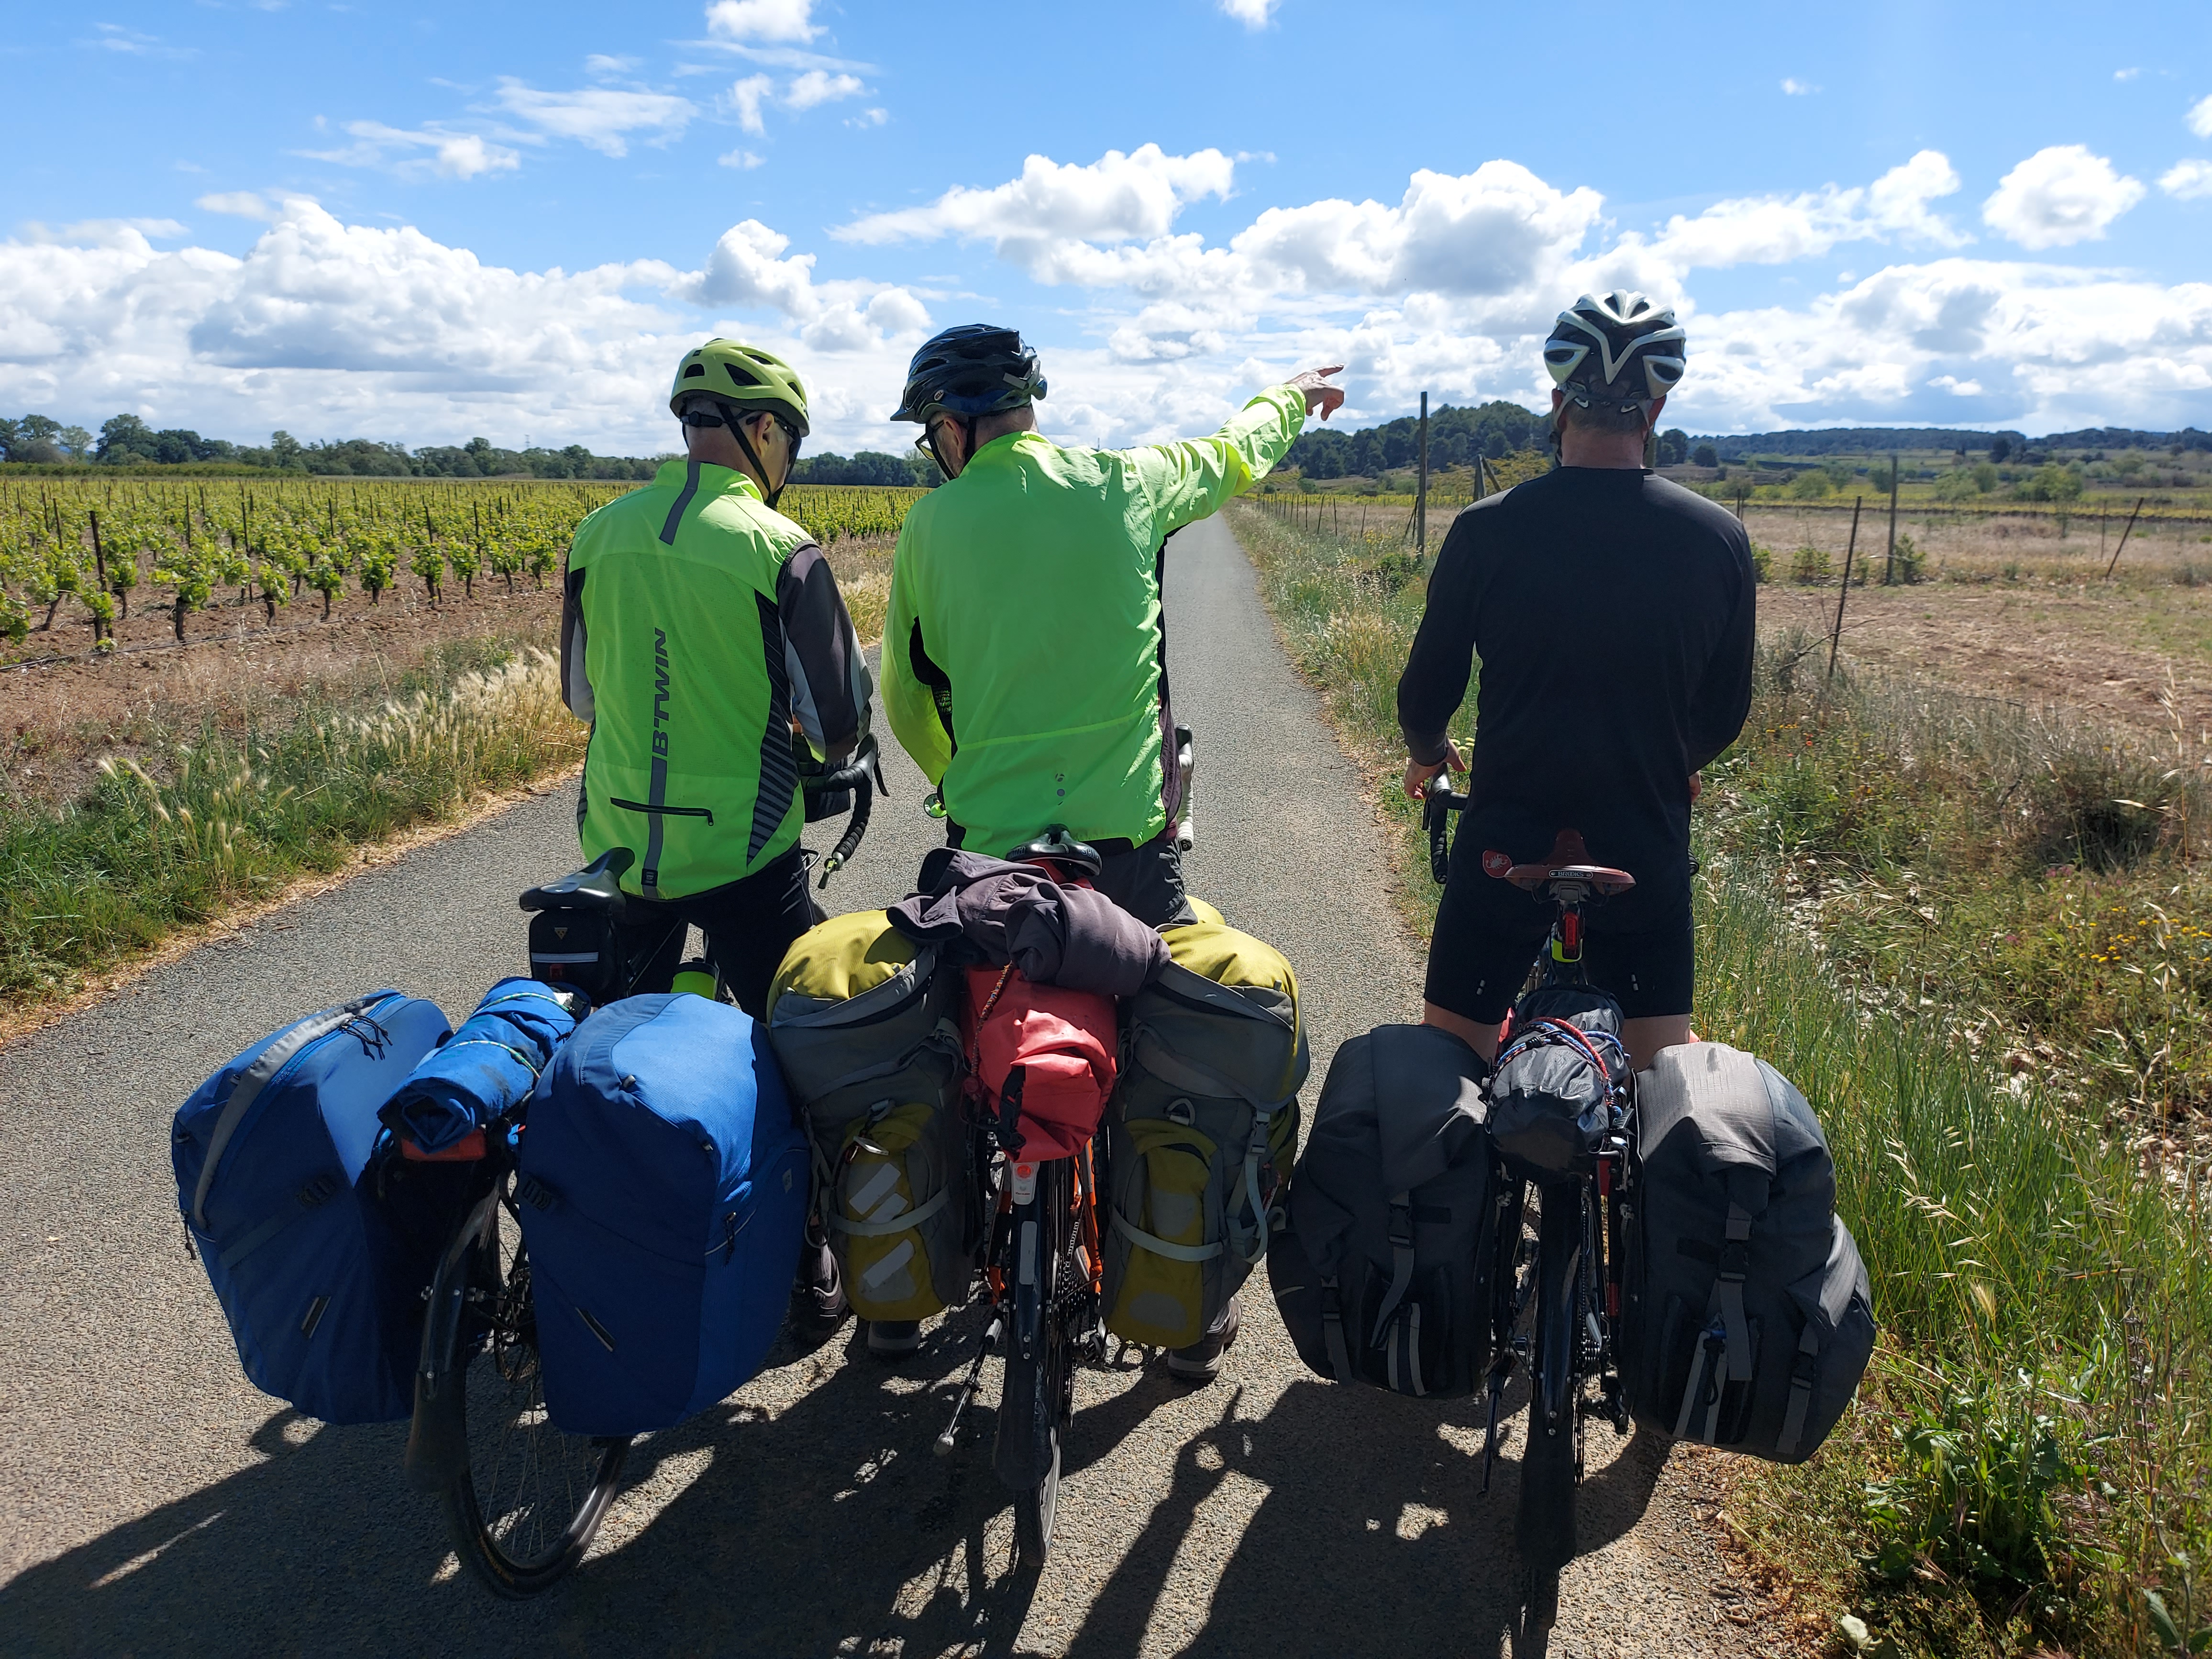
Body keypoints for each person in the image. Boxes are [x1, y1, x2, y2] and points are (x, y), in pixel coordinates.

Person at [879, 322, 1344, 1379]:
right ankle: (1179, 1306)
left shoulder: (931, 525)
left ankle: (909, 1285)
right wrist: (1289, 395)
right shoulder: (1130, 482)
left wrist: (958, 780)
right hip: (1126, 844)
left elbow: (904, 693)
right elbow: (1232, 451)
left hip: (992, 850)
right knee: (1157, 1036)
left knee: (962, 1031)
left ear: (953, 429)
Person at [560, 338, 872, 1332]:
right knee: (801, 1046)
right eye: (792, 442)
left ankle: (598, 1240)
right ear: (764, 432)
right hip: (745, 854)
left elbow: (579, 697)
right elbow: (836, 725)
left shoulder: (596, 535)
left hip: (618, 852)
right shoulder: (780, 549)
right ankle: (808, 1256)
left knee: (606, 1059)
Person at [1397, 291, 1753, 1074]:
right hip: (1642, 841)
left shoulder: (1487, 529)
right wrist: (1675, 760)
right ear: (1655, 411)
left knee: (1449, 1060)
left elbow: (1426, 694)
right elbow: (1725, 711)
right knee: (1662, 1079)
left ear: (1558, 404)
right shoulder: (1718, 537)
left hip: (1508, 840)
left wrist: (1428, 752)